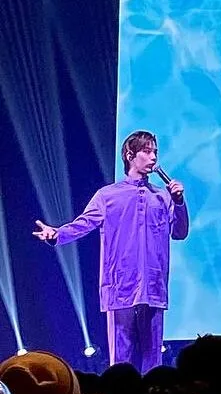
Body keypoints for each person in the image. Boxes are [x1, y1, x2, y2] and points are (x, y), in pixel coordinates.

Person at [32, 130, 189, 372]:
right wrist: (57, 234)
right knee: (121, 363)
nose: (153, 157)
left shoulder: (162, 197)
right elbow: (83, 224)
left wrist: (178, 202)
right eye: (147, 151)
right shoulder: (107, 196)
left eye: (155, 152)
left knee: (152, 365)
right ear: (129, 155)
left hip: (153, 287)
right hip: (120, 287)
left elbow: (179, 232)